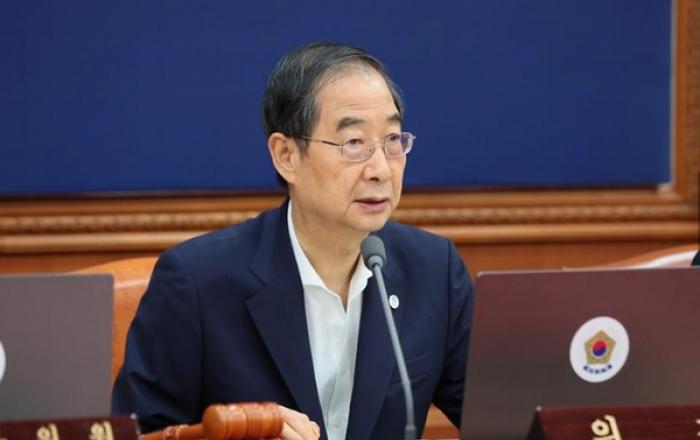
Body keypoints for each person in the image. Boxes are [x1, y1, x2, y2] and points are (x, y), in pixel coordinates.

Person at [112, 42, 474, 440]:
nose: (381, 170)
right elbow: (136, 434)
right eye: (354, 143)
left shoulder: (433, 271)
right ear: (286, 156)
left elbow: (503, 418)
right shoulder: (197, 284)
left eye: (392, 140)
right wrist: (234, 430)